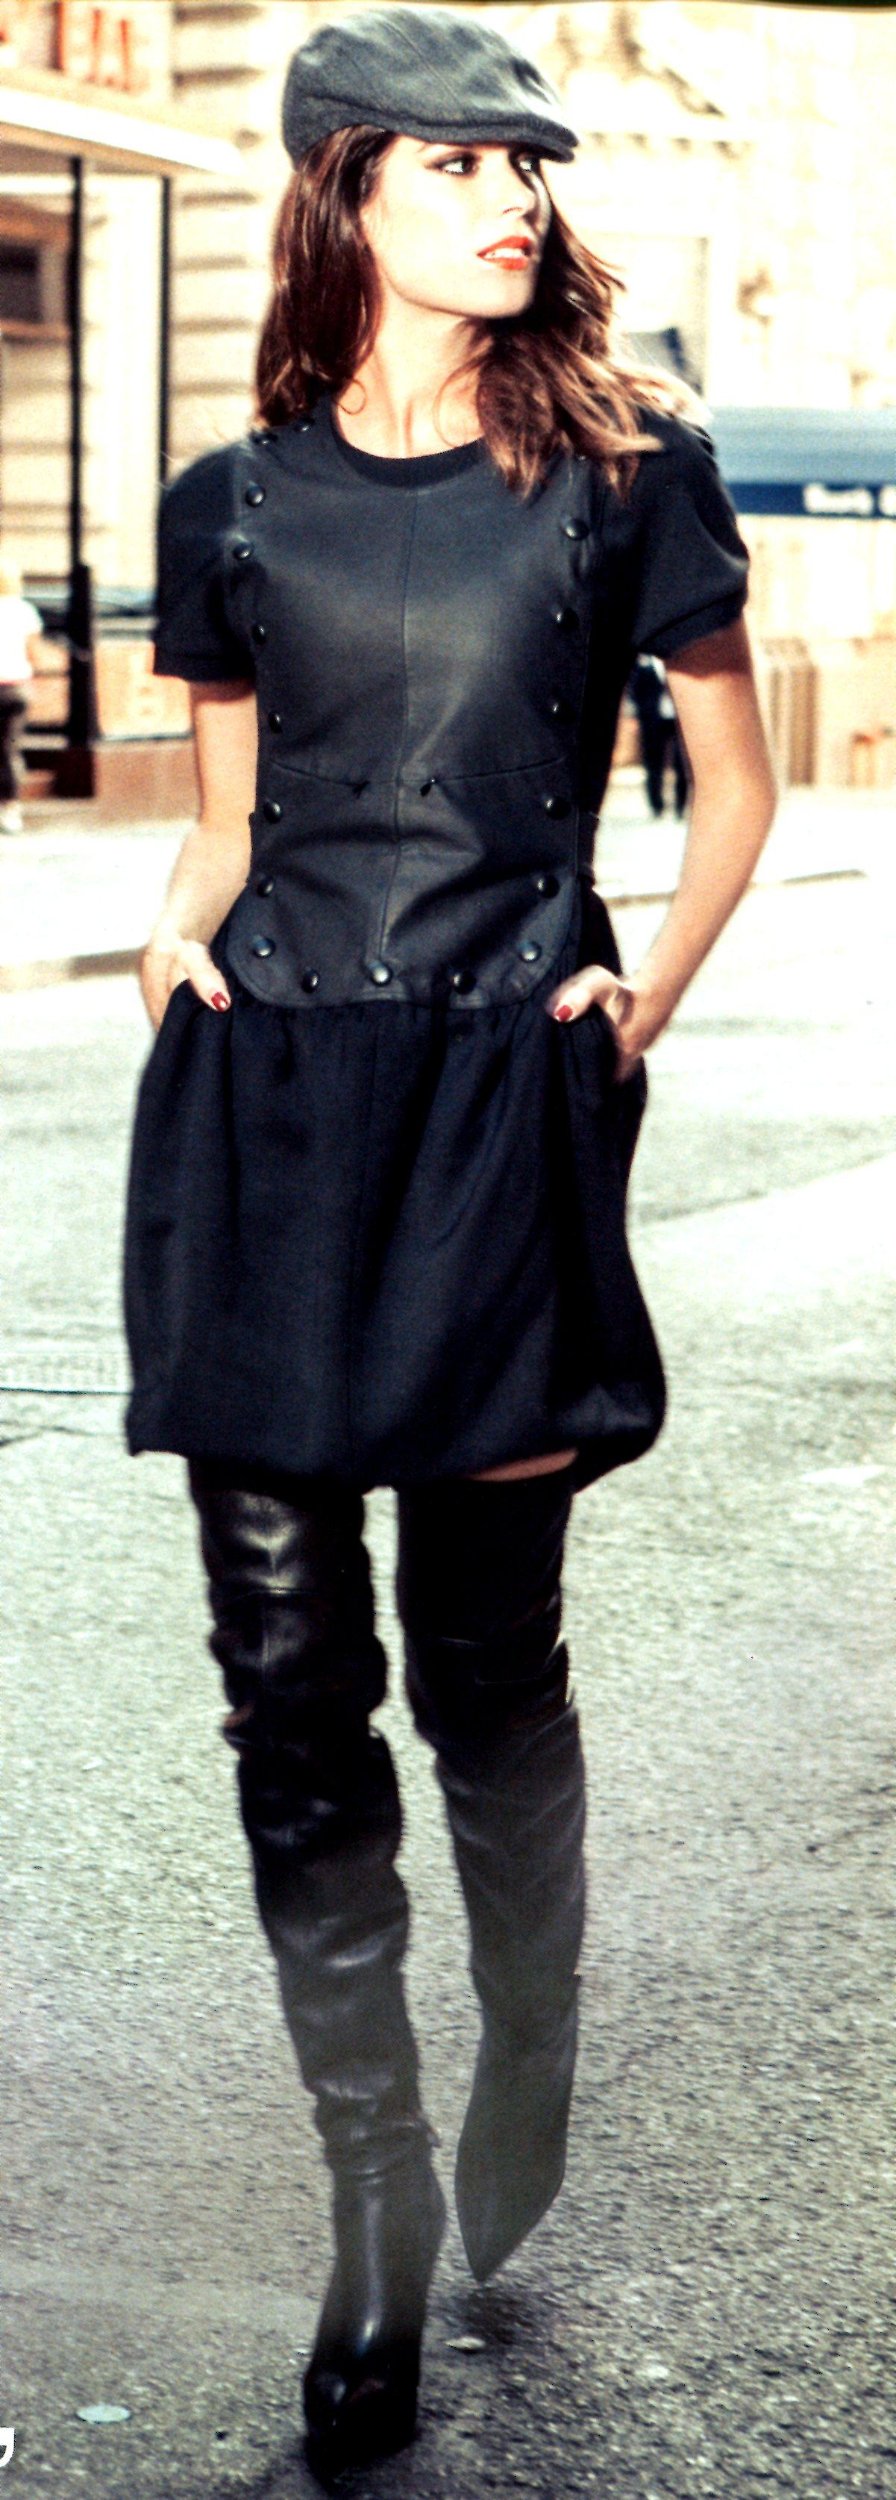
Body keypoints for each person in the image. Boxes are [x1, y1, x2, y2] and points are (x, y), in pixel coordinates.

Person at [124, 5, 776, 2477]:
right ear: (345, 200)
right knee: (292, 1697)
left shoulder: (626, 472)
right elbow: (228, 822)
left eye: (528, 167)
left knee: (486, 1674)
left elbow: (737, 788)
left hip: (506, 1106)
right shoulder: (231, 501)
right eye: (457, 166)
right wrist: (171, 935)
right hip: (270, 1123)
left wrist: (636, 1004)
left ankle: (531, 2022)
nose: (512, 199)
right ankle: (373, 2195)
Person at [0, 558, 43, 833]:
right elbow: (34, 654)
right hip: (16, 687)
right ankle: (10, 807)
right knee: (9, 748)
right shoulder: (26, 611)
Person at [628, 651, 690, 816]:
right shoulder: (644, 663)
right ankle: (656, 806)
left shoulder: (682, 661)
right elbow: (634, 690)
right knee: (653, 763)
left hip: (678, 720)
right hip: (652, 720)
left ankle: (680, 805)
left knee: (681, 763)